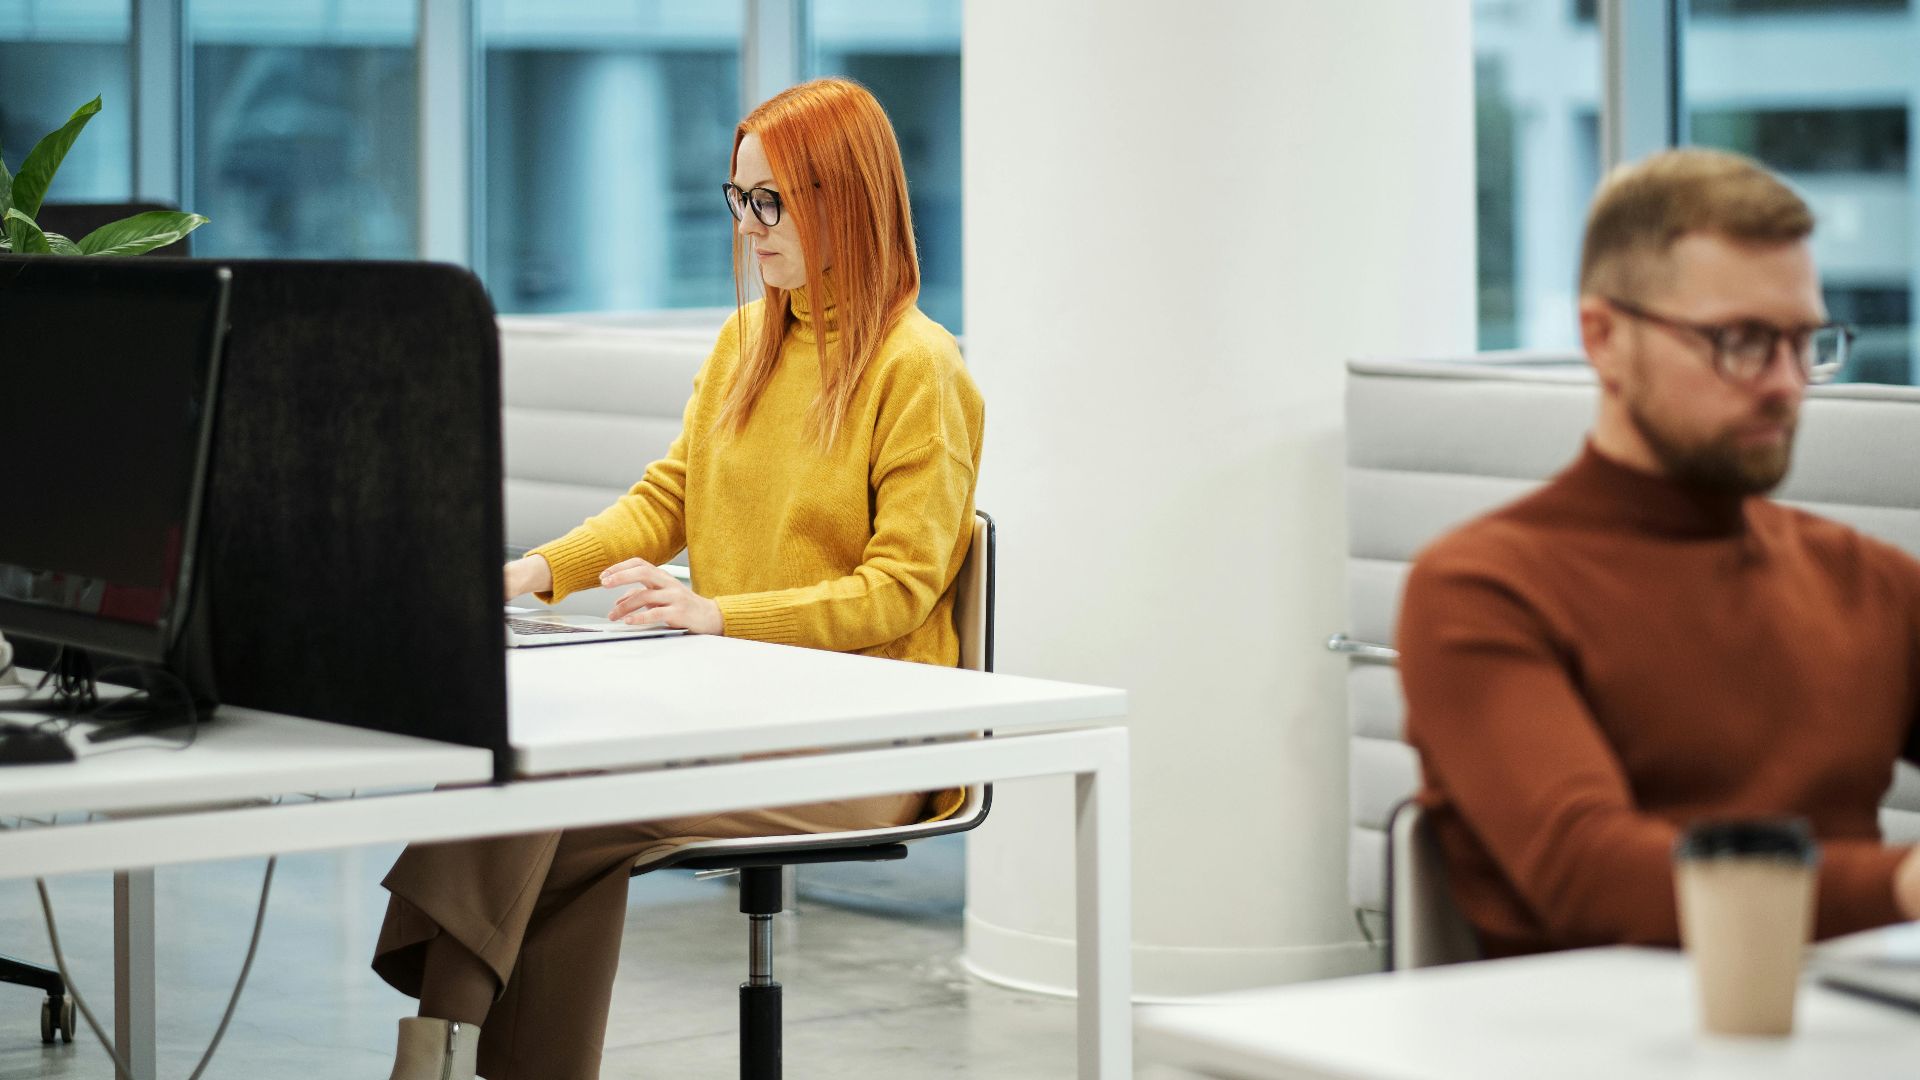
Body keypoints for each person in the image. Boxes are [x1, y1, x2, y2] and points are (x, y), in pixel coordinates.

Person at [373, 78, 983, 1080]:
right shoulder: (748, 339)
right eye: (739, 200)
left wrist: (717, 613)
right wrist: (530, 573)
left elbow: (900, 589)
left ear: (849, 197)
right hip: (732, 712)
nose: (751, 228)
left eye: (773, 201)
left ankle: (429, 1063)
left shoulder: (923, 368)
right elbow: (669, 498)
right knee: (531, 793)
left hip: (870, 746)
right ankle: (450, 1062)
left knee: (534, 806)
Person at [1398, 147, 1920, 960]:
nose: (1786, 382)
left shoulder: (1868, 581)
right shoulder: (1484, 587)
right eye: (1741, 340)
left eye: (1805, 340)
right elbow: (1590, 871)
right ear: (1603, 337)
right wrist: (1895, 887)